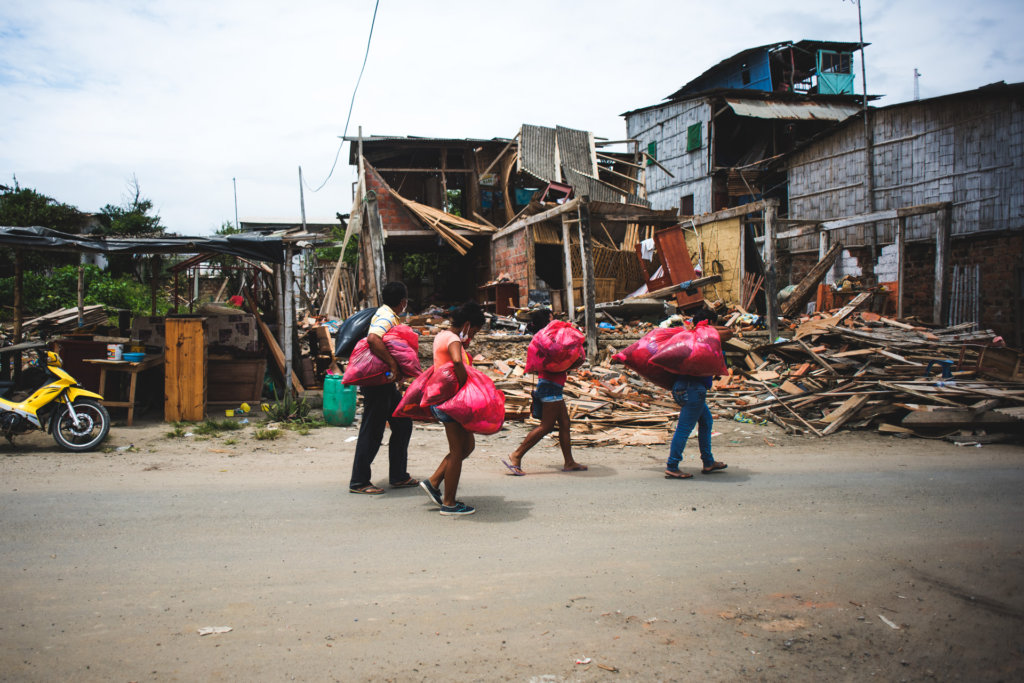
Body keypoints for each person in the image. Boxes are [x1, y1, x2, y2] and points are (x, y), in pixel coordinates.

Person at [348, 282, 417, 494]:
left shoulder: (388, 314)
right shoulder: (386, 317)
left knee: (403, 423)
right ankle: (359, 482)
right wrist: (394, 365)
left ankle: (398, 475)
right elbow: (373, 339)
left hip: (384, 383)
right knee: (373, 429)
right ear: (403, 302)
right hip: (378, 384)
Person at [418, 301, 486, 516]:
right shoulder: (454, 339)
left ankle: (434, 481)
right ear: (467, 324)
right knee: (458, 451)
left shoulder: (442, 335)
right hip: (451, 403)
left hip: (446, 401)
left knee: (467, 446)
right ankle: (449, 503)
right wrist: (468, 384)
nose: (473, 336)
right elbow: (457, 362)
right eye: (473, 331)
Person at [503, 310, 587, 476]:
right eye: (551, 316)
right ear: (548, 319)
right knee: (546, 426)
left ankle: (569, 461)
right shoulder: (551, 340)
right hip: (551, 386)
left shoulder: (545, 340)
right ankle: (516, 455)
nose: (554, 319)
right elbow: (557, 364)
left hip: (549, 385)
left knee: (565, 422)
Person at [664, 308, 731, 480]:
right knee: (684, 429)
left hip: (683, 388)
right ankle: (672, 465)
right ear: (711, 323)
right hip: (693, 391)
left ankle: (708, 462)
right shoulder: (706, 340)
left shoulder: (690, 337)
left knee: (706, 421)